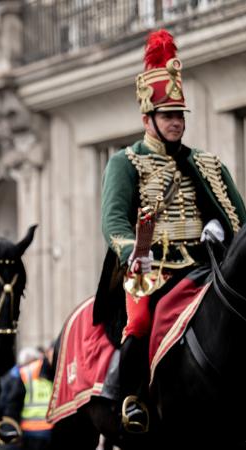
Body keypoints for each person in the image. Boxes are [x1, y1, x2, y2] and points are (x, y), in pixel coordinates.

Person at [96, 29, 246, 433]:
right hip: (151, 269)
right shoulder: (125, 162)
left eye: (180, 116)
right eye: (168, 116)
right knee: (140, 322)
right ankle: (129, 398)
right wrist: (134, 251)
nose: (176, 123)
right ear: (148, 118)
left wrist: (225, 237)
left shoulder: (208, 164)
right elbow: (113, 222)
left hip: (203, 267)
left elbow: (239, 219)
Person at [0, 345, 54, 450]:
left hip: (27, 428)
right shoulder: (47, 369)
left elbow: (9, 403)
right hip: (47, 428)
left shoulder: (19, 373)